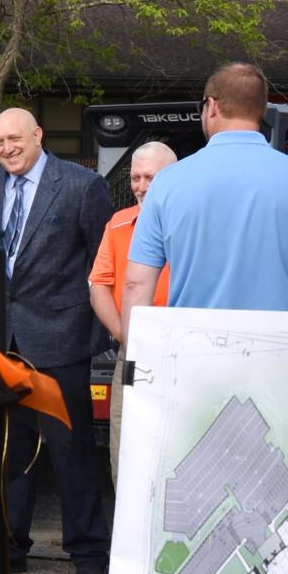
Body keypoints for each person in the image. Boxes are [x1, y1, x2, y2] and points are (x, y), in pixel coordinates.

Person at [0, 108, 113, 574]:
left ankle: (88, 551)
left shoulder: (82, 186)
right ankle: (6, 546)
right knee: (8, 449)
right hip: (4, 341)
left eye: (15, 139)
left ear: (38, 135)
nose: (6, 148)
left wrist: (88, 330)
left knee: (72, 451)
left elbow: (98, 263)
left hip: (62, 338)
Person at [124, 63, 288, 328]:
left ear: (211, 106)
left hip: (192, 354)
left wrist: (138, 359)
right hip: (281, 356)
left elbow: (136, 284)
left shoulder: (167, 183)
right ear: (261, 109)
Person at [89, 141, 176, 477]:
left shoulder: (191, 225)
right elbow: (98, 285)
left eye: (150, 178)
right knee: (123, 441)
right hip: (133, 350)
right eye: (136, 178)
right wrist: (123, 334)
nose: (140, 187)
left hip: (178, 350)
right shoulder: (118, 223)